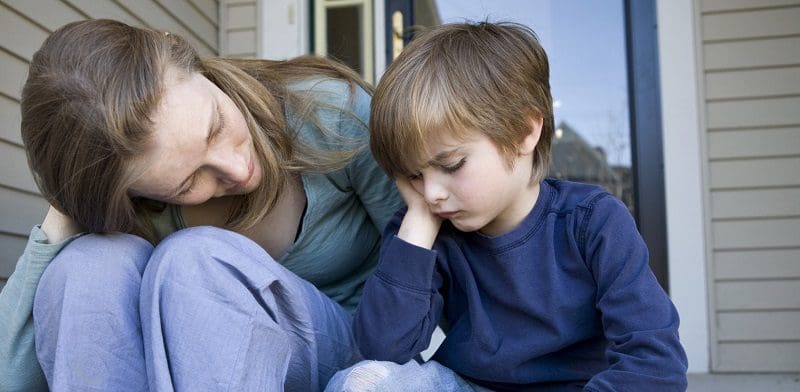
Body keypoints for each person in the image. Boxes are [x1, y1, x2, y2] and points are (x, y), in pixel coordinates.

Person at [0, 19, 403, 391]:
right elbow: (10, 376)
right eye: (188, 181)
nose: (239, 170)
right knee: (86, 262)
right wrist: (68, 210)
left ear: (183, 52)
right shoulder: (134, 210)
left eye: (216, 127)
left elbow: (437, 264)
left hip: (347, 346)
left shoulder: (329, 115)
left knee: (194, 258)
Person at [327, 22, 688, 391]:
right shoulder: (428, 229)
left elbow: (655, 362)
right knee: (363, 381)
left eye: (451, 165)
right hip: (468, 385)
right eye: (412, 176)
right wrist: (418, 223)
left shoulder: (593, 222)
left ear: (524, 132)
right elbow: (382, 347)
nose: (432, 192)